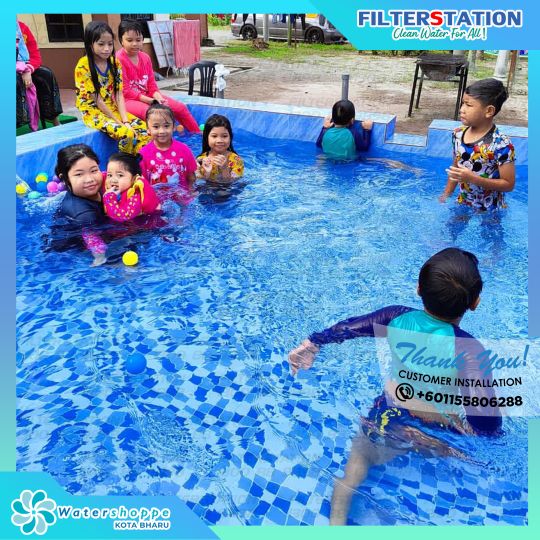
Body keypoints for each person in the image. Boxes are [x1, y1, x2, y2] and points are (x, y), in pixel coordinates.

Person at [288, 248, 501, 525]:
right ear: (475, 303)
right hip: (434, 427)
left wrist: (313, 343)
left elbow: (349, 328)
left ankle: (336, 523)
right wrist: (467, 431)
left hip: (389, 409)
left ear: (418, 288)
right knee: (471, 457)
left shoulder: (396, 316)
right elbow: (486, 424)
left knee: (354, 471)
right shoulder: (469, 349)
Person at [75, 21, 150, 155]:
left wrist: (125, 120)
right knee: (127, 134)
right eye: (101, 44)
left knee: (145, 130)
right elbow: (98, 100)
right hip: (92, 112)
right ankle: (124, 162)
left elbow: (119, 94)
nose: (107, 49)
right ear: (90, 44)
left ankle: (139, 159)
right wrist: (119, 123)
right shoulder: (83, 66)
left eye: (110, 44)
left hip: (112, 107)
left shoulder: (115, 63)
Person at [439, 78, 515, 210]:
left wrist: (474, 179)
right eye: (463, 103)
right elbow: (456, 169)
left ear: (489, 111)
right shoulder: (458, 134)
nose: (462, 109)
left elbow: (508, 185)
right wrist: (446, 195)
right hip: (463, 201)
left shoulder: (501, 145)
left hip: (490, 208)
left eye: (468, 105)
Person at [116, 19, 200, 133]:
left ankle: (197, 135)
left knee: (180, 108)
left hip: (148, 96)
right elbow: (125, 91)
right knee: (153, 113)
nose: (135, 44)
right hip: (126, 101)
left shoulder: (145, 58)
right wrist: (151, 101)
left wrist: (158, 98)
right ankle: (164, 139)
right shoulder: (118, 59)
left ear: (142, 40)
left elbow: (152, 85)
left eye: (138, 40)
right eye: (129, 40)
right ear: (121, 40)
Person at [53, 144, 107, 266]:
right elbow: (92, 239)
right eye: (79, 174)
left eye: (94, 171)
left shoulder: (102, 186)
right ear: (64, 179)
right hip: (70, 253)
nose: (90, 179)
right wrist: (101, 258)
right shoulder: (83, 214)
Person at [139, 103, 198, 193]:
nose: (162, 131)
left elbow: (191, 176)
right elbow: (142, 182)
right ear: (148, 129)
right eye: (156, 127)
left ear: (174, 127)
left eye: (166, 126)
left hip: (181, 195)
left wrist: (191, 193)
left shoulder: (184, 150)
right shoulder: (143, 153)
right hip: (156, 197)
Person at [16, 20, 63, 129]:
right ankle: (19, 121)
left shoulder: (22, 27)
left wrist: (27, 70)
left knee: (45, 74)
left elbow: (35, 56)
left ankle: (53, 118)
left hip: (25, 67)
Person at [103, 152, 160, 222]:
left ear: (134, 178)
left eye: (120, 175)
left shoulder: (136, 196)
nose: (113, 180)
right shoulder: (121, 190)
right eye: (110, 175)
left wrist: (109, 198)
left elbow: (121, 218)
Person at [196, 114, 244, 183]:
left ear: (230, 137)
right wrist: (205, 173)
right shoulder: (200, 160)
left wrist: (224, 168)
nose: (219, 140)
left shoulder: (236, 160)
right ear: (207, 138)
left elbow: (234, 184)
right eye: (214, 136)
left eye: (224, 136)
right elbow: (198, 182)